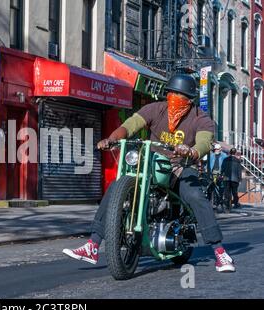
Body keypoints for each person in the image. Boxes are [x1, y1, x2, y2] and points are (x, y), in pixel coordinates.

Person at [63, 74, 236, 273]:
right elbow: (129, 126)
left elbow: (204, 141)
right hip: (151, 163)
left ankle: (220, 252)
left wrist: (192, 151)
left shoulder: (201, 118)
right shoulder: (155, 109)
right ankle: (92, 245)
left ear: (190, 100)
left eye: (180, 97)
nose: (175, 99)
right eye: (171, 94)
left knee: (196, 197)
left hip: (180, 166)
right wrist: (111, 139)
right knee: (115, 187)